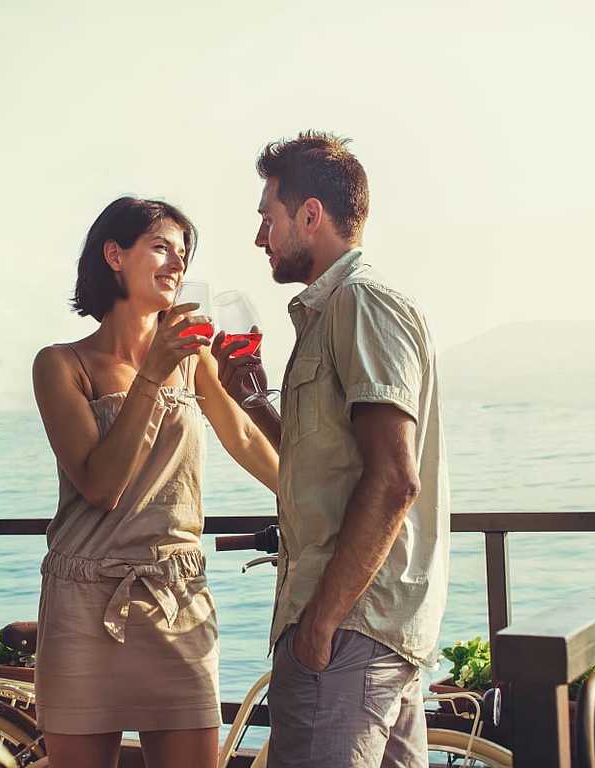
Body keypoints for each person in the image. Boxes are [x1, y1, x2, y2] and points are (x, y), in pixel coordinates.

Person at [212, 131, 447, 767]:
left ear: (309, 216)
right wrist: (255, 401)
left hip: (348, 632)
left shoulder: (361, 304)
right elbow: (329, 463)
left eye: (268, 217)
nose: (260, 236)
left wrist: (321, 623)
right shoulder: (331, 313)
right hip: (366, 634)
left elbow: (394, 477)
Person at [30, 197, 279, 768]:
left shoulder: (192, 359)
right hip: (84, 602)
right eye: (161, 247)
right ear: (113, 255)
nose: (176, 265)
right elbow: (100, 485)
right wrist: (153, 373)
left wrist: (312, 503)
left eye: (183, 255)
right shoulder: (61, 365)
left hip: (178, 599)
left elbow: (240, 435)